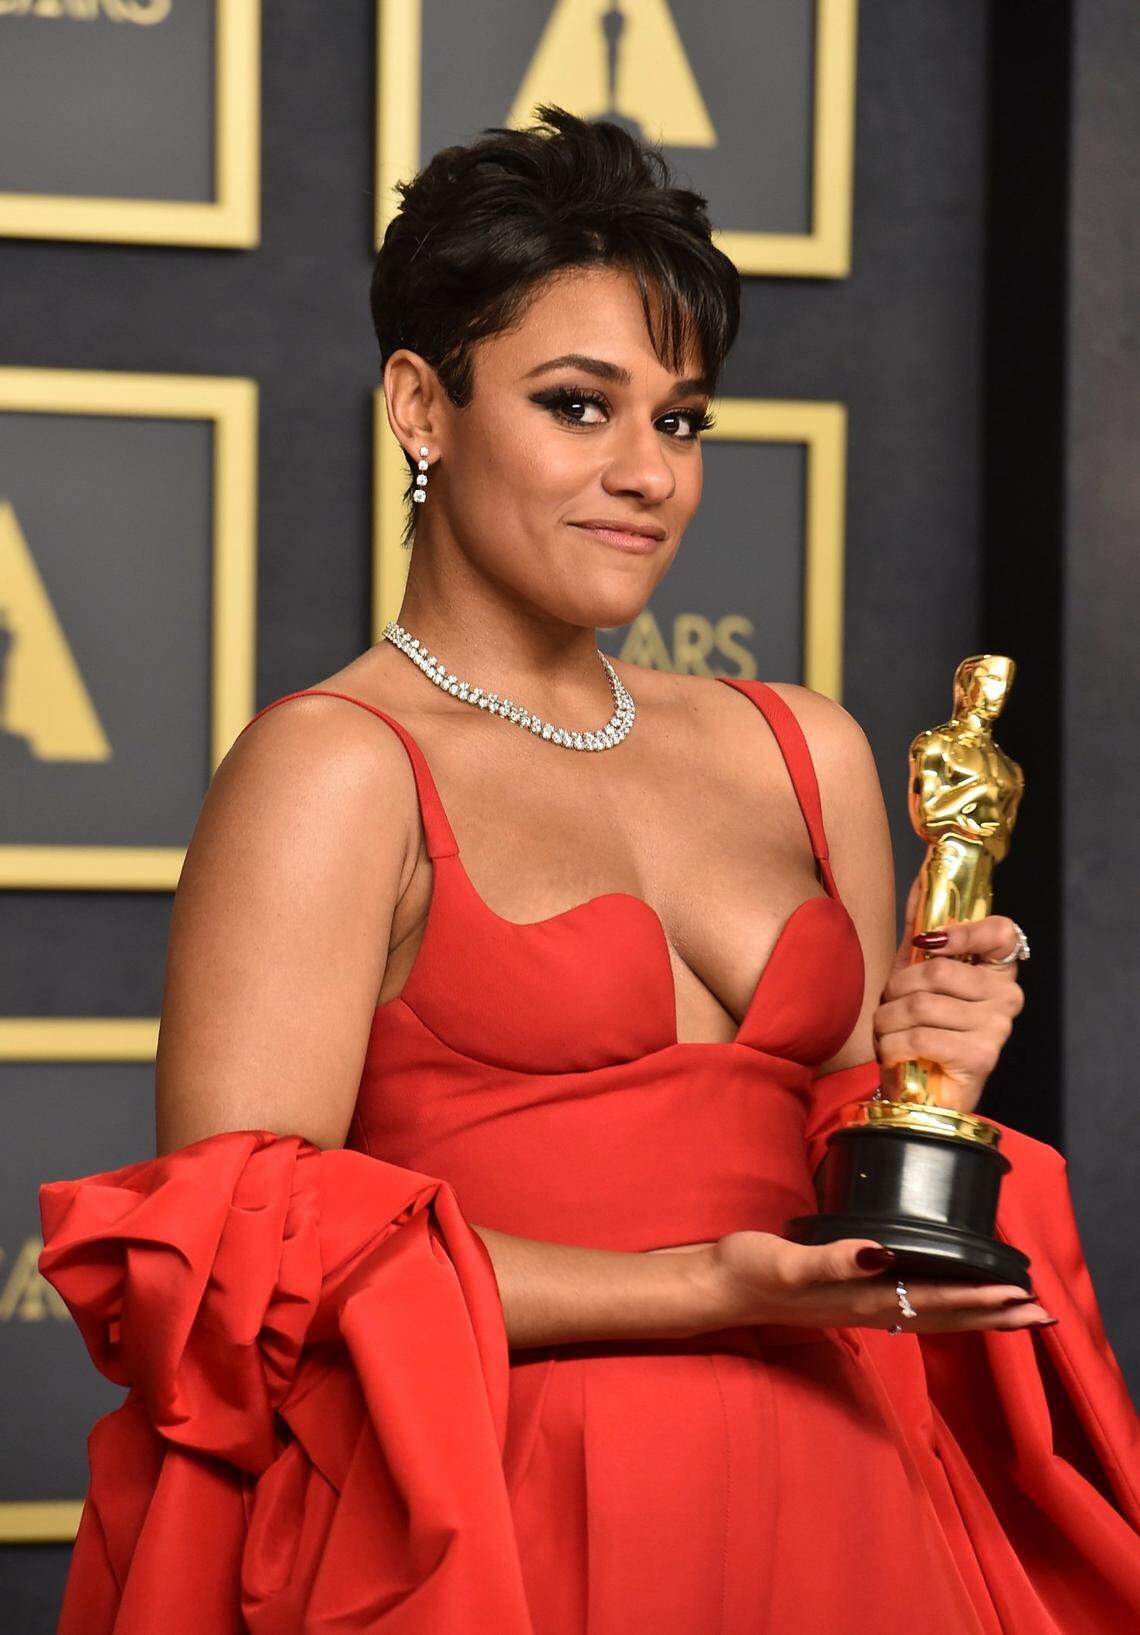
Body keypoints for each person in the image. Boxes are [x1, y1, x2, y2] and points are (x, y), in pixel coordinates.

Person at [39, 106, 1140, 1634]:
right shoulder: (335, 766)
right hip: (512, 1519)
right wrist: (711, 1289)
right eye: (578, 405)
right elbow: (240, 1262)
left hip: (855, 1507)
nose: (646, 475)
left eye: (680, 423)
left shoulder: (801, 747)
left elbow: (853, 1159)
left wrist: (931, 1071)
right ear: (421, 406)